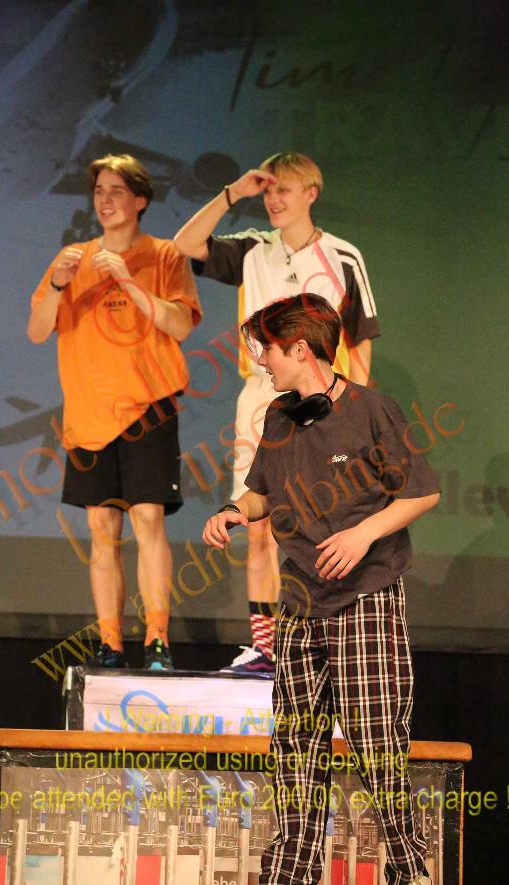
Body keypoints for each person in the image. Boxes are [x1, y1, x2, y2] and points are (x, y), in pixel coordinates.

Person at [202, 294, 439, 885]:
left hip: (366, 598)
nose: (262, 362)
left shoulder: (372, 410)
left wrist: (363, 533)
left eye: (268, 350)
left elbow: (422, 492)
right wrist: (235, 510)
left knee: (376, 745)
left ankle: (409, 870)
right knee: (295, 749)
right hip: (300, 602)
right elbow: (263, 491)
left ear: (301, 349)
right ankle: (291, 873)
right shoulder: (278, 417)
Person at [175, 151, 379, 674]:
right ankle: (266, 648)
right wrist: (233, 193)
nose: (273, 199)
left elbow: (360, 341)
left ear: (311, 193)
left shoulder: (343, 256)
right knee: (257, 523)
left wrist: (352, 411)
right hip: (262, 400)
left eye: (283, 189)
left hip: (326, 402)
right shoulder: (253, 249)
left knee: (329, 517)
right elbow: (184, 245)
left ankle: (331, 640)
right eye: (267, 191)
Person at [27, 154, 202, 670]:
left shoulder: (164, 254)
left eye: (116, 191)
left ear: (140, 200)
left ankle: (157, 641)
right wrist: (57, 286)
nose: (104, 201)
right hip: (89, 415)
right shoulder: (72, 258)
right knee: (103, 530)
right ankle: (111, 644)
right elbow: (37, 330)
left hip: (148, 407)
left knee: (148, 519)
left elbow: (181, 325)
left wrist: (128, 281)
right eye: (99, 191)